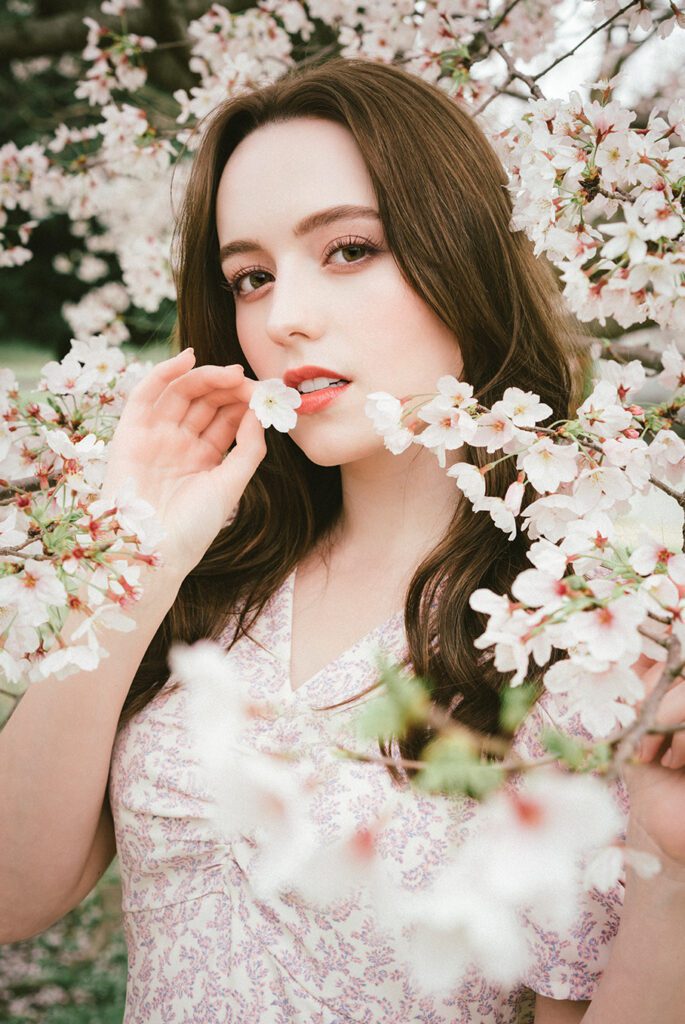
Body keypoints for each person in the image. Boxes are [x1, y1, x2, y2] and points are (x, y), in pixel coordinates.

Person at [1, 58, 684, 1024]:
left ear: (463, 252)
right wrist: (136, 556)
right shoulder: (215, 580)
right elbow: (14, 894)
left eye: (350, 250)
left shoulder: (581, 636)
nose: (284, 318)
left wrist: (669, 876)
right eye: (250, 276)